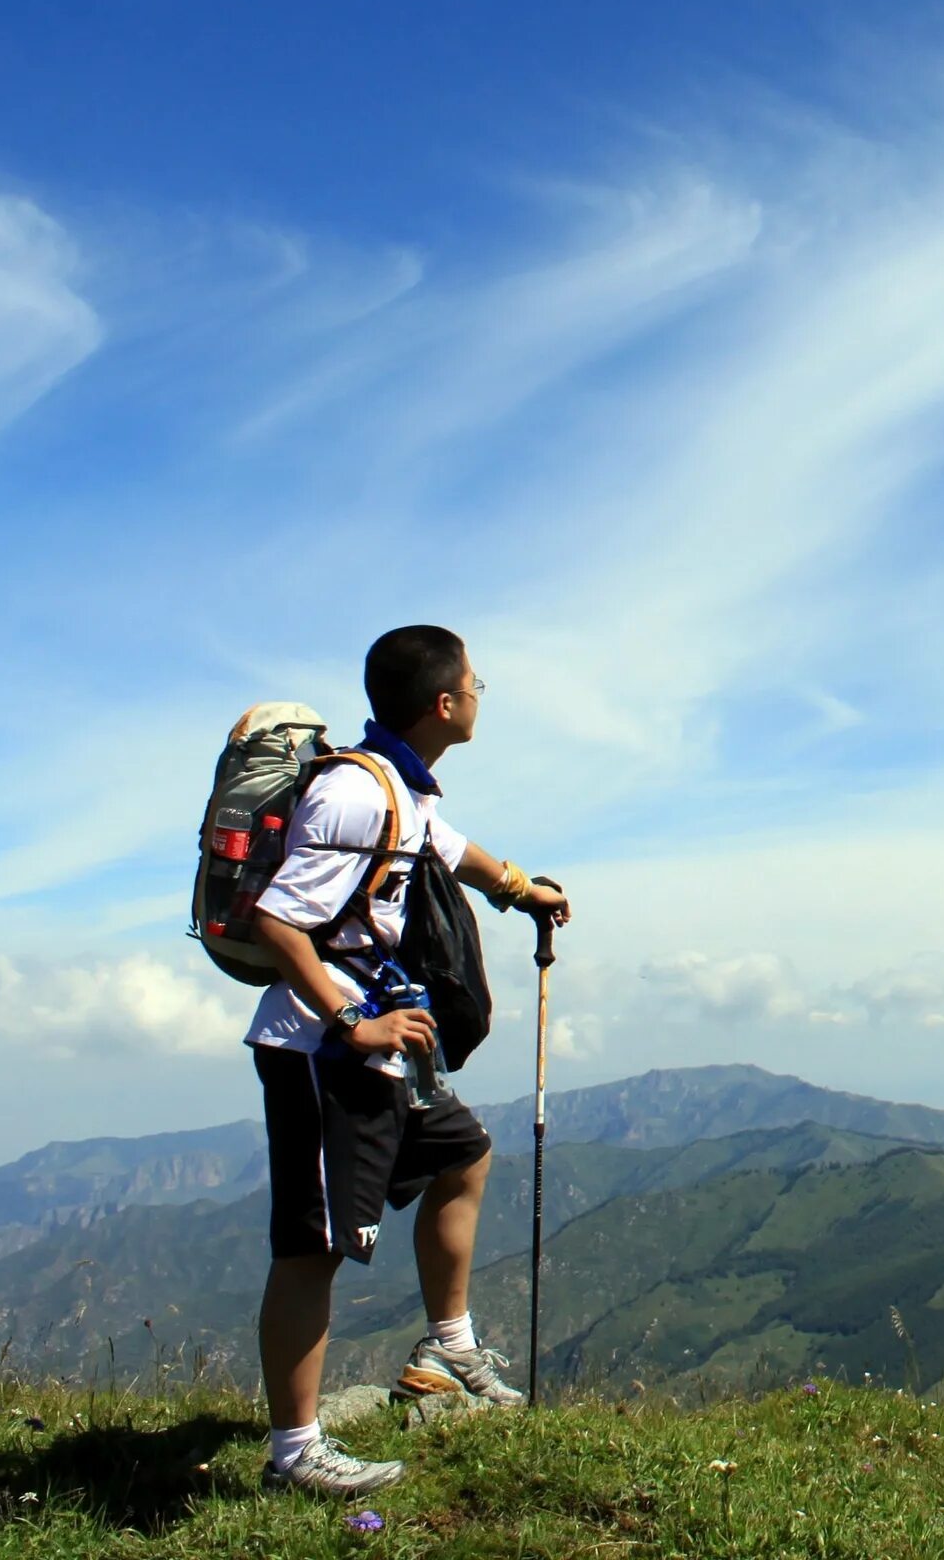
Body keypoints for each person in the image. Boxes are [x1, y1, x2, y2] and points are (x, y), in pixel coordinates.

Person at [245, 625, 573, 1499]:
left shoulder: (402, 787)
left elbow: (447, 847)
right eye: (473, 679)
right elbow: (279, 921)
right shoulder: (355, 794)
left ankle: (448, 1344)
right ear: (442, 703)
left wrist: (519, 890)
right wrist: (354, 1020)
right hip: (322, 1053)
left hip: (380, 1051)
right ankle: (295, 1453)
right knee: (312, 1247)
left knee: (462, 1154)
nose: (481, 689)